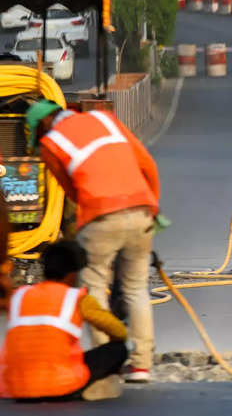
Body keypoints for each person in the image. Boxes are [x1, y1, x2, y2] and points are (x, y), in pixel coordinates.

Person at [25, 99, 160, 383]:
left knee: (94, 288)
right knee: (136, 288)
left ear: (45, 123)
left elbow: (72, 192)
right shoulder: (105, 119)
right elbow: (147, 164)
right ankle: (141, 365)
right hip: (142, 209)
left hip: (99, 216)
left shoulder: (51, 143)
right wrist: (152, 207)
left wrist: (85, 223)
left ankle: (106, 360)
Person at [0, 241, 128, 401]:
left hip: (16, 387)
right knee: (118, 349)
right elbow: (119, 331)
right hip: (60, 385)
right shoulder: (77, 298)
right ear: (72, 274)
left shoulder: (19, 295)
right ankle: (93, 387)